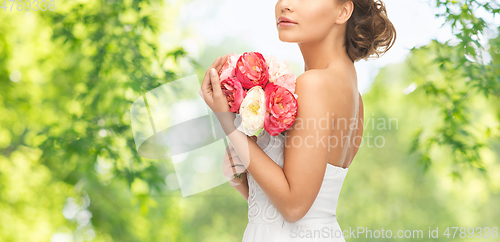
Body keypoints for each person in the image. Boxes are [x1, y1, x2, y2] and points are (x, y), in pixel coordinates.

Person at [200, 0, 396, 241]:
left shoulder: (314, 84)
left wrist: (228, 123)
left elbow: (294, 207)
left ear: (343, 11)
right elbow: (301, 202)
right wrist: (241, 181)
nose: (285, 5)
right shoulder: (353, 94)